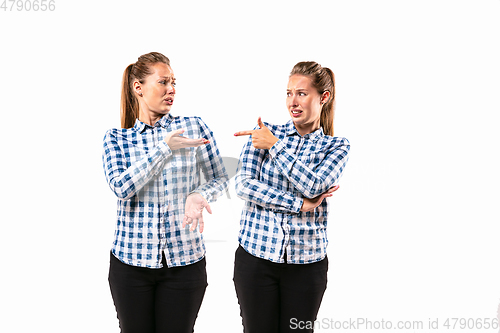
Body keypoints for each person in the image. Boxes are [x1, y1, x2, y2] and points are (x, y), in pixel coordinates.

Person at [102, 52, 228, 333]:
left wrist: (200, 194)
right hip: (131, 264)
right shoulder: (117, 139)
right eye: (163, 82)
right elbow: (122, 187)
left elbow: (220, 177)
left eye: (173, 82)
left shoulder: (194, 126)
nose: (171, 89)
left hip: (185, 263)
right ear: (138, 88)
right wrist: (164, 148)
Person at [233, 61, 350, 333]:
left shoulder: (336, 146)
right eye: (288, 93)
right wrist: (298, 204)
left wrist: (274, 147)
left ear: (324, 97)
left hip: (307, 265)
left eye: (301, 93)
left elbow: (315, 185)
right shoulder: (264, 131)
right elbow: (243, 186)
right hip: (255, 259)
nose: (293, 101)